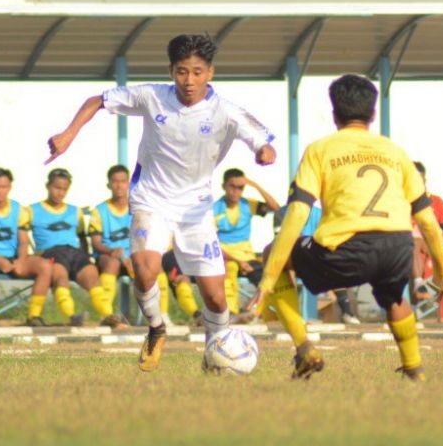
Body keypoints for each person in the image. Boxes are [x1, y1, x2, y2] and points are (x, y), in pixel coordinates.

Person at [45, 33, 276, 372]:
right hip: (151, 200)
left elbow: (263, 140)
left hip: (197, 209)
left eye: (197, 72)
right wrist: (67, 135)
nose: (189, 80)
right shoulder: (151, 96)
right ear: (171, 71)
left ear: (210, 72)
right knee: (144, 267)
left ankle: (216, 352)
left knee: (214, 296)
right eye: (182, 71)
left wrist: (263, 152)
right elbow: (97, 100)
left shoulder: (226, 112)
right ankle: (155, 327)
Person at [249, 74, 443, 382]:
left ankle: (304, 349)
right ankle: (414, 370)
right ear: (372, 114)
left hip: (345, 249)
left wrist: (266, 281)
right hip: (397, 246)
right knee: (394, 298)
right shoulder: (395, 152)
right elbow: (427, 221)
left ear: (334, 115)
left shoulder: (320, 150)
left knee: (271, 253)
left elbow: (297, 215)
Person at [29, 168, 117, 327]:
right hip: (51, 252)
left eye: (64, 189)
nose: (60, 193)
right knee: (60, 279)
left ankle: (108, 315)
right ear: (48, 186)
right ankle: (72, 316)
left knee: (92, 278)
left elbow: (83, 236)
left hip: (75, 253)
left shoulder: (75, 211)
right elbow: (19, 234)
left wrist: (87, 255)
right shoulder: (31, 211)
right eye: (57, 188)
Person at [0, 167, 52, 326]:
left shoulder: (18, 209)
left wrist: (21, 259)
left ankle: (34, 316)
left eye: (3, 187)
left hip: (12, 257)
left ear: (9, 188)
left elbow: (23, 241)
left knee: (45, 266)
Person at [213, 168, 280, 315]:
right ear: (224, 186)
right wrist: (238, 261)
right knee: (228, 269)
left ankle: (250, 312)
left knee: (267, 280)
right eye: (232, 186)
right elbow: (209, 240)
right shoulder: (214, 209)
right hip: (225, 256)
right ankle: (230, 313)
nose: (236, 191)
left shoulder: (248, 204)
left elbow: (276, 208)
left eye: (240, 188)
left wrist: (254, 185)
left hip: (247, 256)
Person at [87, 164, 134, 330]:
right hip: (109, 256)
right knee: (112, 263)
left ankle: (157, 316)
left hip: (132, 257)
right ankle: (107, 315)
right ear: (109, 184)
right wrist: (114, 252)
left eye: (123, 181)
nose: (119, 185)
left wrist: (132, 257)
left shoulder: (137, 207)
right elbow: (96, 243)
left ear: (129, 183)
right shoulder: (99, 211)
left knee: (149, 266)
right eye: (115, 181)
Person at [410, 161, 443, 304]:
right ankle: (419, 287)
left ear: (425, 180)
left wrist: (434, 246)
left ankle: (421, 292)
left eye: (419, 181)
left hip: (431, 249)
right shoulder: (399, 202)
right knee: (413, 244)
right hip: (407, 249)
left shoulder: (436, 201)